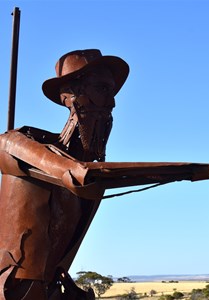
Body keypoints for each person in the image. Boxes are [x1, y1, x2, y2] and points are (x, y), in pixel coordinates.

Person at [0, 49, 129, 299]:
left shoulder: (89, 170)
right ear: (71, 95)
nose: (111, 102)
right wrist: (192, 171)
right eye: (102, 89)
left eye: (112, 92)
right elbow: (73, 173)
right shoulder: (17, 144)